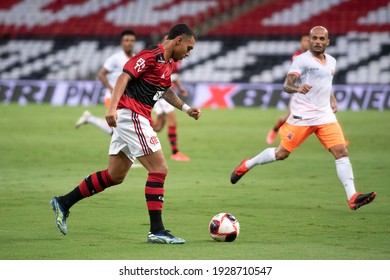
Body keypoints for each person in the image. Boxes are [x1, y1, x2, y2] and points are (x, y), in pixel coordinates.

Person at [50, 24, 201, 244]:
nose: (188, 54)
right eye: (188, 48)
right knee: (159, 169)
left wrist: (187, 108)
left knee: (115, 175)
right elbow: (123, 77)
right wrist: (111, 107)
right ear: (178, 40)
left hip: (133, 117)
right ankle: (156, 230)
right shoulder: (150, 55)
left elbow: (165, 90)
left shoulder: (167, 64)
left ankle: (63, 202)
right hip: (132, 115)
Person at [230, 26, 376, 211]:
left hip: (324, 115)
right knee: (281, 154)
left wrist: (331, 98)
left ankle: (352, 197)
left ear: (327, 41)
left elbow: (325, 83)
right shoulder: (302, 60)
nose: (317, 41)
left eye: (322, 38)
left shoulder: (331, 61)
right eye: (314, 38)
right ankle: (247, 164)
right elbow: (287, 83)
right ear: (309, 39)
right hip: (302, 116)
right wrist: (298, 88)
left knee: (341, 151)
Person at [75, 30, 137, 135]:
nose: (129, 43)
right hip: (113, 97)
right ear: (122, 43)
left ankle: (89, 118)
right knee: (119, 128)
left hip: (128, 97)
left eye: (132, 40)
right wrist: (111, 88)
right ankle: (90, 119)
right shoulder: (115, 58)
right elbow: (101, 74)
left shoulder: (136, 58)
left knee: (119, 129)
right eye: (126, 40)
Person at [266, 35, 310, 144]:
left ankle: (337, 140)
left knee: (327, 114)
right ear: (300, 43)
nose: (306, 43)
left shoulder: (316, 56)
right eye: (304, 40)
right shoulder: (297, 55)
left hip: (314, 91)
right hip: (299, 91)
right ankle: (275, 130)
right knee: (290, 116)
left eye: (308, 41)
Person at [153, 39, 191, 161]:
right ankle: (175, 153)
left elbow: (173, 77)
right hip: (162, 96)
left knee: (158, 127)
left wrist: (180, 88)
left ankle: (136, 134)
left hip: (163, 95)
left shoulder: (171, 58)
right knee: (172, 122)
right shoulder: (161, 57)